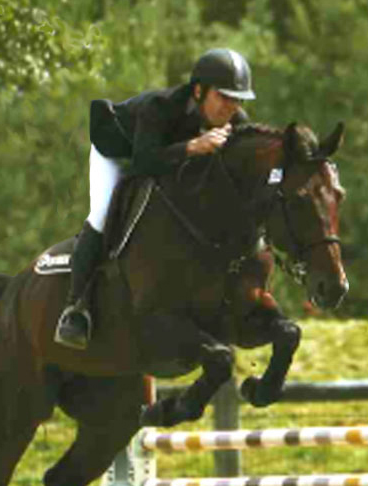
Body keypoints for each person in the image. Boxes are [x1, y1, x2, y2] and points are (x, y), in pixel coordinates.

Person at [54, 48, 256, 350]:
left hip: (159, 158)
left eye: (237, 99)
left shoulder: (234, 120)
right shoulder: (160, 108)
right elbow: (143, 164)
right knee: (102, 214)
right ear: (199, 90)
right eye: (224, 96)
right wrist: (192, 147)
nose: (231, 106)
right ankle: (75, 308)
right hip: (117, 152)